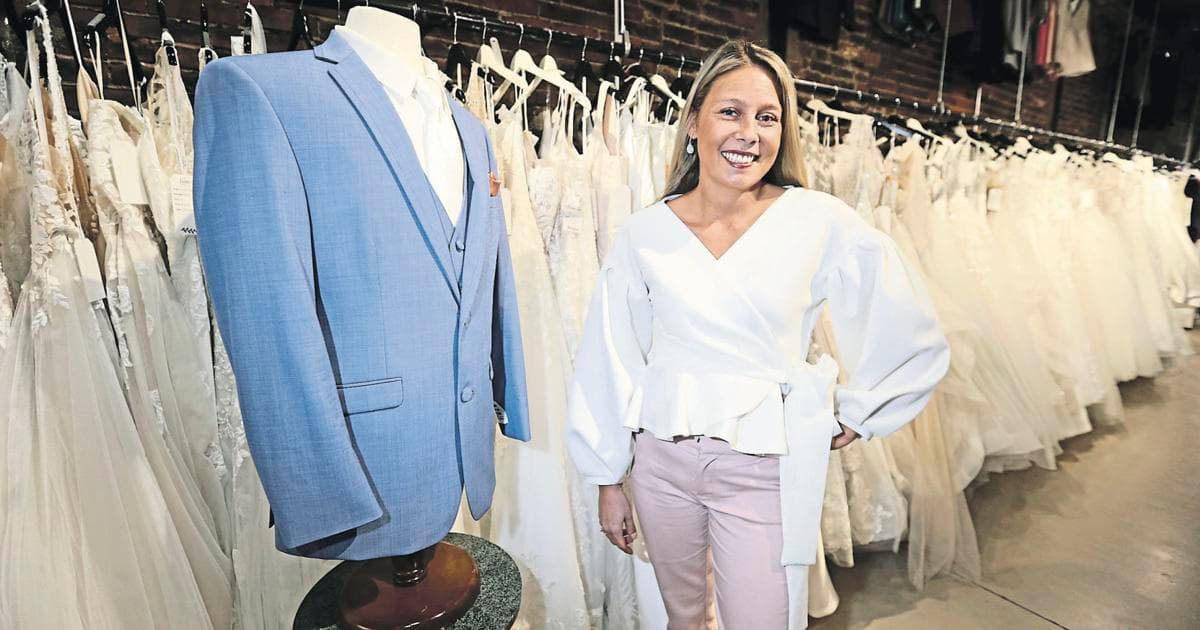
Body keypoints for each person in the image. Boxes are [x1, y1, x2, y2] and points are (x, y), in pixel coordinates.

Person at [565, 40, 951, 629]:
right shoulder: (645, 232)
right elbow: (610, 357)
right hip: (659, 461)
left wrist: (862, 410)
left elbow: (906, 320)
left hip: (764, 466)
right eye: (731, 112)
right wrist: (607, 478)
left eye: (767, 117)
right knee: (683, 618)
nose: (749, 132)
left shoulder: (816, 220)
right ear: (693, 122)